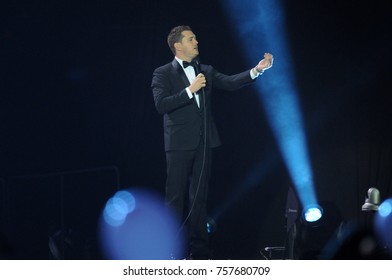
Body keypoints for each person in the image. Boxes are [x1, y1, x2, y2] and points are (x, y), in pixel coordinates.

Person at [151, 25, 273, 259]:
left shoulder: (204, 69)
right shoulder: (162, 73)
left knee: (200, 197)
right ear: (178, 46)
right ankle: (169, 250)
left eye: (195, 37)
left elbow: (229, 82)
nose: (196, 41)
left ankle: (199, 251)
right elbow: (161, 105)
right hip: (178, 143)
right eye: (191, 39)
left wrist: (256, 70)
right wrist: (189, 90)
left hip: (204, 142)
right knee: (175, 196)